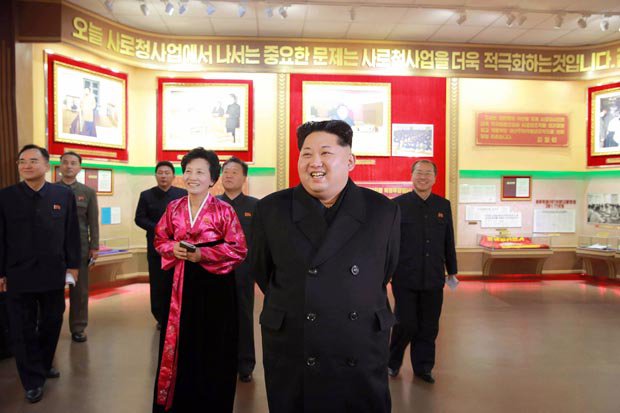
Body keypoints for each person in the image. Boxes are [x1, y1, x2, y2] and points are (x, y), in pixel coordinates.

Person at [251, 120, 400, 413]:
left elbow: (385, 270)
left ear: (350, 160)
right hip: (295, 342)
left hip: (359, 343)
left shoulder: (383, 211)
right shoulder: (271, 209)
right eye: (306, 154)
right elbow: (263, 271)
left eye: (325, 153)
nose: (314, 163)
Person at [153, 147, 247, 413]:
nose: (192, 177)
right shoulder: (173, 208)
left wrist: (203, 254)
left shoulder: (224, 210)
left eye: (200, 172)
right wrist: (173, 248)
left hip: (216, 288)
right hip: (180, 285)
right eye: (188, 171)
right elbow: (160, 239)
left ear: (212, 178)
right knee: (182, 347)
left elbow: (239, 249)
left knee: (213, 348)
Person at [0, 145, 80, 403]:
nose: (26, 165)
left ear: (47, 166)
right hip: (17, 274)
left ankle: (43, 364)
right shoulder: (6, 197)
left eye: (33, 161)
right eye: (22, 161)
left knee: (52, 322)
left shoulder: (63, 195)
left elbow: (71, 233)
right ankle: (32, 380)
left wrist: (73, 266)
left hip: (52, 273)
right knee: (21, 329)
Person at [387, 159, 458, 384]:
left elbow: (449, 240)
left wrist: (452, 271)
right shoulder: (397, 205)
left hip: (433, 277)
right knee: (405, 322)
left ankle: (423, 367)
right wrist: (385, 271)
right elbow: (389, 242)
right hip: (405, 276)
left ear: (435, 178)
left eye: (428, 174)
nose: (423, 177)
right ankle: (392, 361)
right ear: (412, 176)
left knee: (429, 325)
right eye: (419, 173)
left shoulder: (442, 206)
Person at [217, 157, 259, 383]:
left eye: (234, 172)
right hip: (214, 272)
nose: (229, 175)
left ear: (244, 177)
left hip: (243, 272)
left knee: (243, 317)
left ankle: (245, 364)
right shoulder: (212, 204)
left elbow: (261, 242)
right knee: (217, 318)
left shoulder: (255, 206)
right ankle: (219, 362)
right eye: (225, 172)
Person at [135, 161, 187, 329]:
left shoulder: (182, 194)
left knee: (177, 282)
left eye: (167, 173)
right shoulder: (146, 195)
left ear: (173, 176)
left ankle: (178, 314)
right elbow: (139, 218)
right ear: (156, 175)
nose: (163, 176)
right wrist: (158, 228)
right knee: (158, 283)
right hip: (156, 248)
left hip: (178, 247)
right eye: (160, 173)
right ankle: (160, 317)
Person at [57, 151, 99, 343]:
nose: (69, 166)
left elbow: (93, 222)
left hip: (80, 247)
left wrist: (94, 246)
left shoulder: (87, 192)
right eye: (65, 163)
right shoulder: (50, 190)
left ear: (79, 167)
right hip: (54, 247)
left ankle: (78, 327)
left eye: (73, 163)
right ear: (60, 166)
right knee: (52, 289)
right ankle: (50, 326)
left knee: (80, 291)